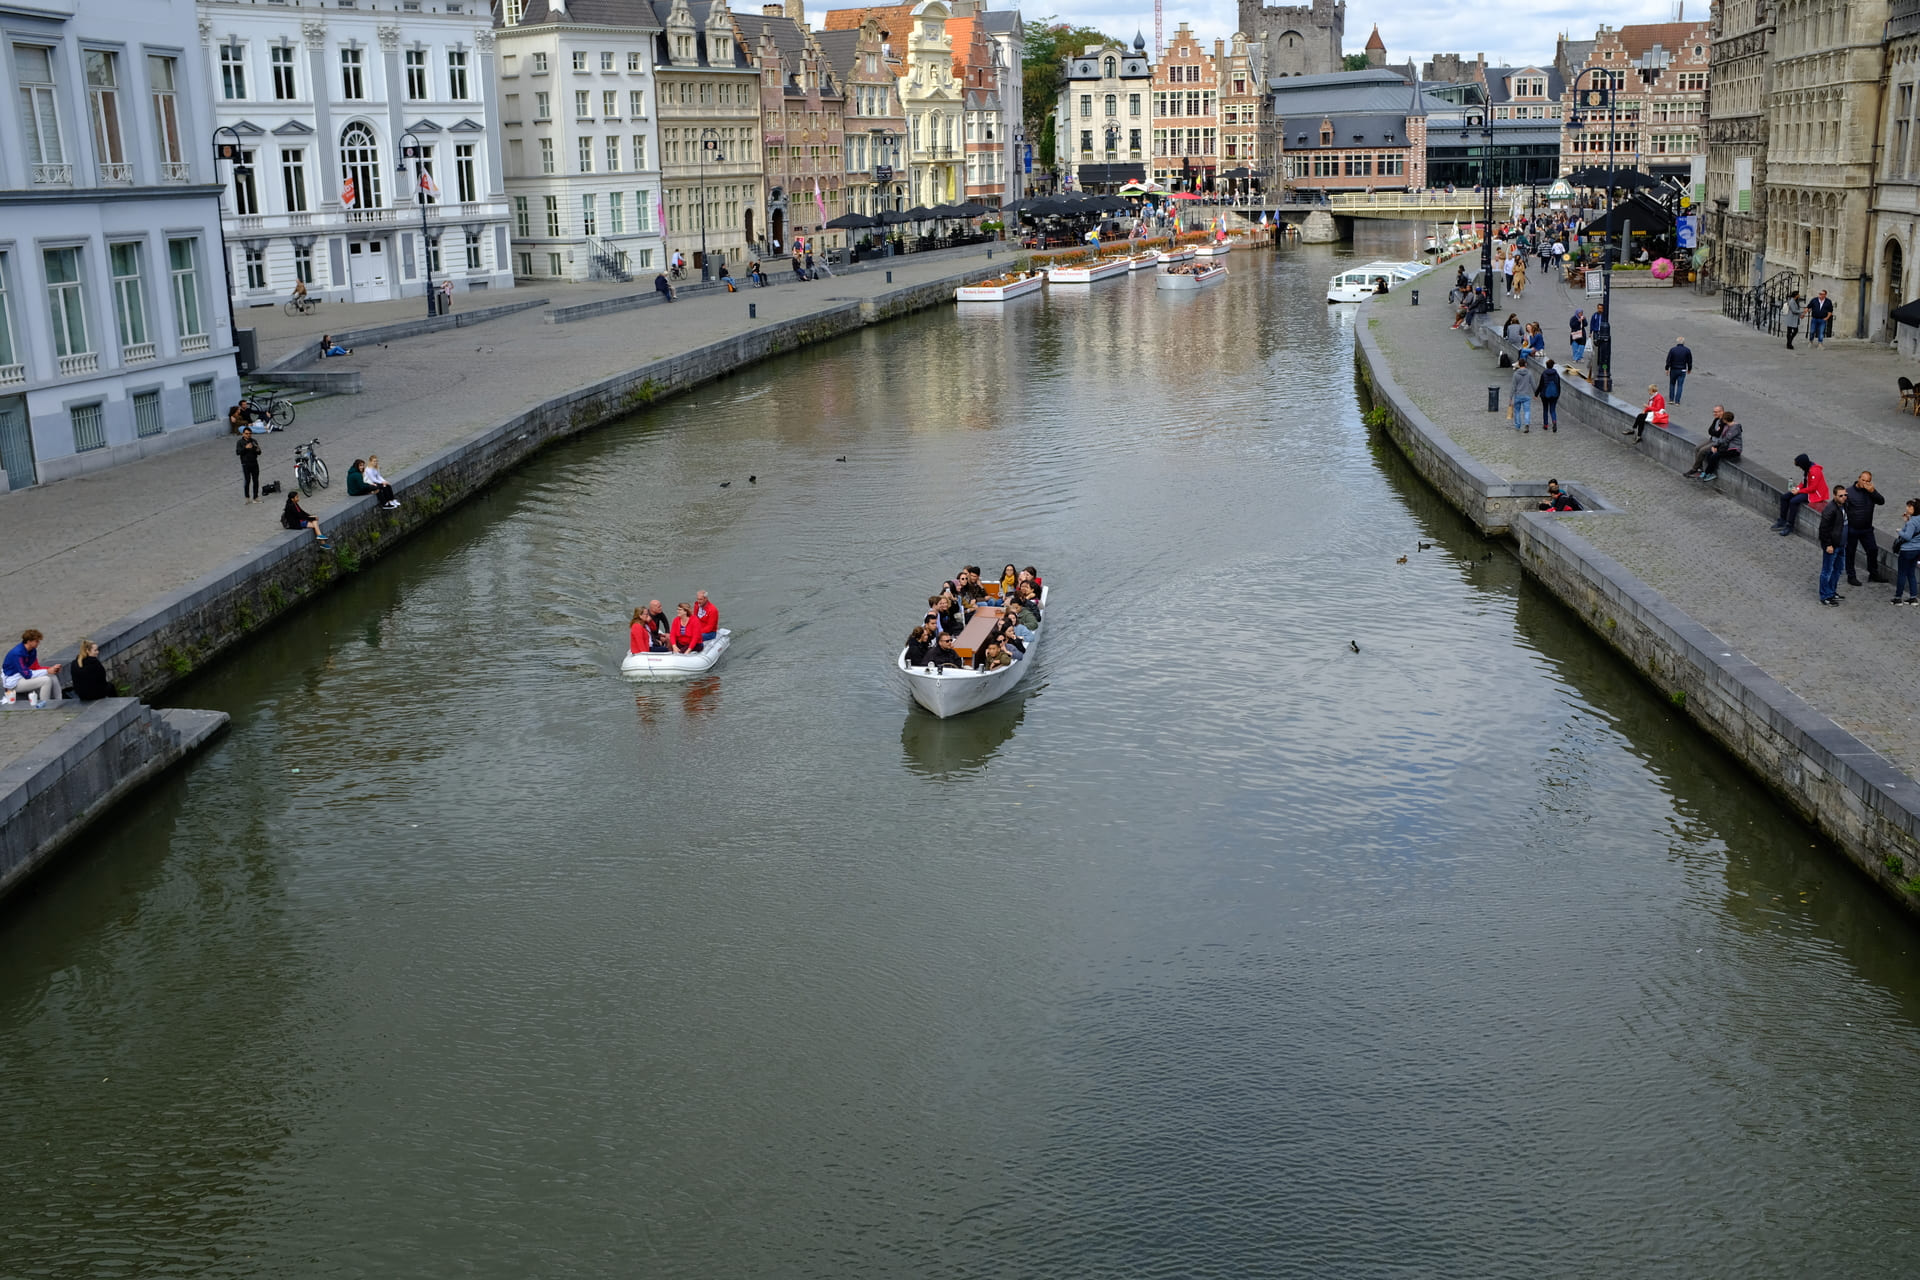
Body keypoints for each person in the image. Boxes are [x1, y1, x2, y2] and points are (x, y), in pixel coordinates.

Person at [1845, 470, 1889, 587]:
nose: (1864, 482)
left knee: (1873, 550)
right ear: (1858, 478)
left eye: (1867, 481)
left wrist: (1873, 491)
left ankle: (1873, 574)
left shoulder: (1870, 492)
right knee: (1850, 552)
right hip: (1853, 529)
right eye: (1863, 480)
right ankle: (1851, 576)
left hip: (1867, 529)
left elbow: (1881, 501)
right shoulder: (1849, 492)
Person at [2, 629, 62, 708]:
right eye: (36, 641)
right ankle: (44, 705)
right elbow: (27, 674)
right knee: (46, 680)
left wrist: (51, 669)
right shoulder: (17, 654)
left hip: (22, 676)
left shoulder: (32, 650)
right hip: (14, 682)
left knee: (52, 676)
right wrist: (47, 670)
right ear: (29, 641)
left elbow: (34, 668)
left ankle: (59, 701)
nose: (38, 643)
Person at [1774, 452, 1829, 535]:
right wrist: (1797, 488)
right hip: (1806, 490)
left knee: (1793, 501)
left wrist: (1798, 491)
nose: (1799, 467)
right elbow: (1803, 483)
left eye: (1799, 465)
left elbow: (1813, 488)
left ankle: (1790, 525)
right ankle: (1782, 520)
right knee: (1784, 497)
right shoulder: (1807, 469)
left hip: (1814, 494)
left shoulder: (1814, 471)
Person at [1685, 407, 1743, 479]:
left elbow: (1721, 436)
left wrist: (1715, 446)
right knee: (1697, 448)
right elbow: (1710, 431)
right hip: (1714, 440)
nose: (1714, 413)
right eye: (1714, 412)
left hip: (1728, 447)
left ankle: (1698, 470)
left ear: (1722, 412)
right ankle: (1700, 469)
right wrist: (1715, 434)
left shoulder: (1728, 425)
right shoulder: (1717, 420)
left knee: (1704, 451)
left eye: (1716, 412)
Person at [1819, 485, 1850, 605]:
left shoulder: (1844, 506)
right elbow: (1823, 529)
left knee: (1838, 569)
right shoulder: (1830, 509)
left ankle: (1831, 592)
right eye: (1840, 496)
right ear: (1835, 496)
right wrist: (1828, 544)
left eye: (1845, 495)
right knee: (1827, 571)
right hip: (1832, 545)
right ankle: (1825, 595)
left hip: (1841, 544)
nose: (1843, 497)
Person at [1893, 500, 1920, 604]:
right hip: (1917, 549)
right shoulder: (1916, 520)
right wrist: (1906, 521)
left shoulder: (1912, 522)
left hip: (1907, 550)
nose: (1907, 508)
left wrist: (1899, 531)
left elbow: (1908, 536)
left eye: (1910, 507)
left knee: (1902, 574)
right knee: (1911, 573)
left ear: (1915, 509)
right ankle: (1913, 597)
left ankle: (1898, 598)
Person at [1509, 354, 1537, 433]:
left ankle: (1518, 426)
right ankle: (1527, 423)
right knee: (1527, 411)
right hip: (1526, 395)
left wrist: (1510, 397)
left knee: (1517, 411)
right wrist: (1536, 394)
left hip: (1518, 395)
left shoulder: (1515, 374)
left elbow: (1513, 387)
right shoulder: (1529, 373)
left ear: (1518, 365)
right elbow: (1533, 384)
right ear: (1525, 364)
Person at [237, 426, 262, 503]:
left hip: (254, 463)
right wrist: (245, 448)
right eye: (246, 434)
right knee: (247, 481)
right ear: (243, 434)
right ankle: (247, 497)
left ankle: (255, 497)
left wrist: (258, 450)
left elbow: (259, 452)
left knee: (256, 481)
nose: (248, 435)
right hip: (245, 464)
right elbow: (238, 452)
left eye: (250, 434)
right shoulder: (240, 442)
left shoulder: (254, 441)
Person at [1665, 336, 1693, 404]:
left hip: (1673, 369)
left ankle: (1671, 399)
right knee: (1680, 385)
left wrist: (1667, 368)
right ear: (1683, 342)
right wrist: (1689, 369)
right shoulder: (1687, 350)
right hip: (1682, 370)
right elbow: (1689, 361)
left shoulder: (1672, 350)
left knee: (1672, 384)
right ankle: (1677, 401)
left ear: (1677, 342)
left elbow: (1668, 360)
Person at [1538, 358, 1561, 431]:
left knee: (1545, 409)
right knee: (1553, 410)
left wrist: (1536, 393)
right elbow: (1558, 385)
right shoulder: (1556, 374)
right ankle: (1554, 422)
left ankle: (1546, 425)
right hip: (1554, 394)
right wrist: (1558, 394)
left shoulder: (1544, 373)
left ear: (1546, 365)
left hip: (1545, 394)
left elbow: (1540, 385)